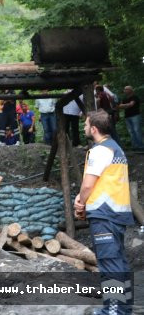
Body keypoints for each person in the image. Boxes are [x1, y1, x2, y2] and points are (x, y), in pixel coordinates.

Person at [74, 110, 134, 315]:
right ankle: (123, 308)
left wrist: (80, 202)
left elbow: (89, 184)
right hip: (115, 212)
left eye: (85, 125)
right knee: (118, 262)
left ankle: (114, 310)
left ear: (94, 129)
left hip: (104, 214)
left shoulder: (100, 151)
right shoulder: (115, 148)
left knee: (110, 264)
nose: (83, 128)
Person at [118, 86, 143, 151]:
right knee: (131, 132)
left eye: (126, 89)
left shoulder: (135, 97)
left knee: (137, 131)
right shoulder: (125, 98)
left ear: (130, 90)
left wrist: (125, 105)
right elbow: (120, 106)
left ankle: (140, 147)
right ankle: (135, 146)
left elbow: (131, 104)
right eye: (124, 89)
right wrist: (127, 105)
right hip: (127, 116)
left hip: (135, 116)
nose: (125, 90)